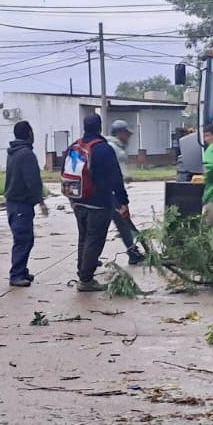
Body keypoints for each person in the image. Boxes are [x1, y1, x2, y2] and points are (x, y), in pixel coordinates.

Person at [68, 114, 130, 292]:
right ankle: (86, 280)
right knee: (94, 240)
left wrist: (73, 199)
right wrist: (123, 201)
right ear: (99, 127)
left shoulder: (75, 146)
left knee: (84, 238)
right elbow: (116, 178)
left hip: (78, 201)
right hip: (98, 203)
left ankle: (83, 273)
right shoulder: (103, 149)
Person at [3, 121, 48, 287]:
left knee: (24, 238)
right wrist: (41, 201)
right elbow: (33, 180)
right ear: (29, 134)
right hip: (21, 203)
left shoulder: (13, 152)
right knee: (23, 239)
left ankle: (22, 270)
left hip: (14, 203)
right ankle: (16, 274)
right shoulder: (26, 154)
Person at [105, 119, 145, 265]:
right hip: (110, 192)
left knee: (122, 223)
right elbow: (112, 171)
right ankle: (133, 253)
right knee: (121, 222)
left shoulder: (116, 146)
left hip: (112, 191)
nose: (128, 137)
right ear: (120, 133)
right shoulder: (111, 146)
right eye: (126, 134)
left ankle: (133, 252)